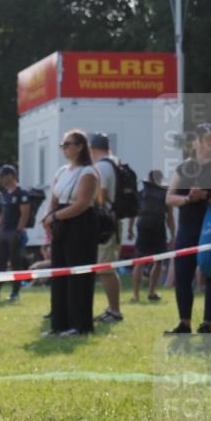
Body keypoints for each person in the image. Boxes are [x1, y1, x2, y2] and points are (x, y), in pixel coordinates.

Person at [41, 129, 100, 336]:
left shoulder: (88, 172)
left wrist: (55, 217)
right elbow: (54, 200)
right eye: (63, 145)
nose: (64, 148)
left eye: (68, 144)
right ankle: (59, 324)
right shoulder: (61, 172)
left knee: (78, 276)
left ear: (80, 146)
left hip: (81, 226)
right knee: (59, 274)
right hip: (61, 225)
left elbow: (83, 203)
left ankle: (80, 325)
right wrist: (49, 220)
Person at [164, 124, 211, 334]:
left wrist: (206, 196)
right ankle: (184, 323)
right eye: (206, 139)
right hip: (188, 228)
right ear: (195, 142)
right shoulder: (185, 167)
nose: (210, 144)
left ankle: (207, 324)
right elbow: (169, 198)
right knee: (183, 274)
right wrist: (188, 198)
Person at [89, 133, 124, 323]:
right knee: (108, 265)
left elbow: (100, 194)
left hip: (105, 222)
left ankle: (115, 311)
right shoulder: (115, 162)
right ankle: (112, 308)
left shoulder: (102, 166)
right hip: (115, 219)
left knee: (105, 268)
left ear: (93, 149)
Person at [0, 164, 31, 302]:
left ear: (11, 176)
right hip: (4, 232)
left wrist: (19, 231)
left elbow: (25, 213)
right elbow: (3, 214)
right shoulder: (5, 194)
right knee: (0, 262)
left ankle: (15, 292)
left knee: (16, 262)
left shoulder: (21, 193)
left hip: (14, 232)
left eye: (2, 176)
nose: (0, 179)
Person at [128, 170, 174, 303]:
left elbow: (134, 213)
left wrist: (130, 229)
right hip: (158, 226)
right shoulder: (165, 194)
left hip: (142, 226)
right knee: (158, 261)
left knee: (140, 261)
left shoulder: (142, 193)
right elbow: (170, 217)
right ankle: (152, 292)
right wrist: (173, 235)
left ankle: (136, 295)